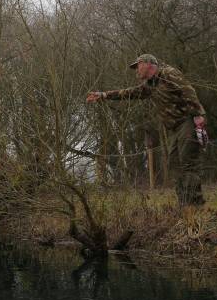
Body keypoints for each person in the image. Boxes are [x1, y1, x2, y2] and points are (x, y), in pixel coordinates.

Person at [86, 54, 207, 206]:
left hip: (188, 122)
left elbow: (187, 90)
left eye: (138, 66)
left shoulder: (168, 73)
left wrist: (197, 115)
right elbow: (130, 93)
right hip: (174, 128)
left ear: (149, 64)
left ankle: (195, 205)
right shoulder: (151, 85)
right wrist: (103, 95)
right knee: (174, 165)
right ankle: (184, 205)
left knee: (188, 164)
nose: (136, 70)